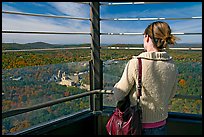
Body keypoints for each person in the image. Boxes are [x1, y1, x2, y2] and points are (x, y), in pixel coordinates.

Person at [113, 21, 179, 135]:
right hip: (161, 124)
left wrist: (115, 87)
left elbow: (119, 94)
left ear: (147, 37)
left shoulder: (136, 63)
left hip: (137, 125)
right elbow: (172, 93)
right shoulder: (172, 66)